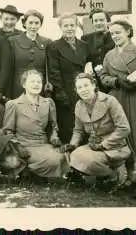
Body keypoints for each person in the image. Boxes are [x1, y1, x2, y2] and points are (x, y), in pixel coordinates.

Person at [99, 19, 136, 198]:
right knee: (121, 137)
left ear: (128, 32)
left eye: (119, 32)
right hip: (117, 98)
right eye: (112, 33)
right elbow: (103, 76)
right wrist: (115, 81)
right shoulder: (109, 55)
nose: (115, 36)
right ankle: (131, 176)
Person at [61, 73, 131, 190]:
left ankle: (112, 175)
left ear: (94, 85)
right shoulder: (79, 105)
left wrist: (104, 145)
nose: (83, 90)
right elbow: (78, 130)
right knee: (71, 155)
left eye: (86, 85)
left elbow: (124, 128)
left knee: (88, 160)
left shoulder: (110, 101)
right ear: (76, 91)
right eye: (80, 87)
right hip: (93, 146)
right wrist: (72, 145)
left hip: (114, 147)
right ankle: (99, 176)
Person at [3, 70, 69, 179]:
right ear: (24, 85)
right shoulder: (13, 104)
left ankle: (29, 171)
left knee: (63, 157)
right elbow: (7, 131)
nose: (36, 84)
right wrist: (18, 146)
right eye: (32, 81)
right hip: (24, 145)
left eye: (39, 82)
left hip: (42, 144)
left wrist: (54, 136)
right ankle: (26, 169)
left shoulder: (48, 103)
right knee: (52, 161)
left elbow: (54, 126)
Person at [47, 13, 90, 144]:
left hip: (82, 88)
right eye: (66, 25)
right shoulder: (54, 46)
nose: (69, 28)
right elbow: (54, 71)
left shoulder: (84, 45)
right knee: (67, 124)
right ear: (60, 27)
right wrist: (60, 93)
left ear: (76, 26)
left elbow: (88, 65)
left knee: (83, 120)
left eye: (72, 25)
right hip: (64, 89)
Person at [7, 9, 52, 99]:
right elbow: (9, 68)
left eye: (36, 23)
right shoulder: (13, 41)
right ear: (24, 23)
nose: (33, 26)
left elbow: (49, 68)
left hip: (39, 86)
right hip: (18, 87)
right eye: (30, 23)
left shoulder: (47, 42)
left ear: (40, 24)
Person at [81, 9, 115, 91]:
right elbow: (84, 59)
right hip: (95, 81)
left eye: (101, 20)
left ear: (108, 21)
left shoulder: (115, 36)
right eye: (95, 21)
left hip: (113, 79)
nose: (98, 23)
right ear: (92, 23)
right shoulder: (86, 38)